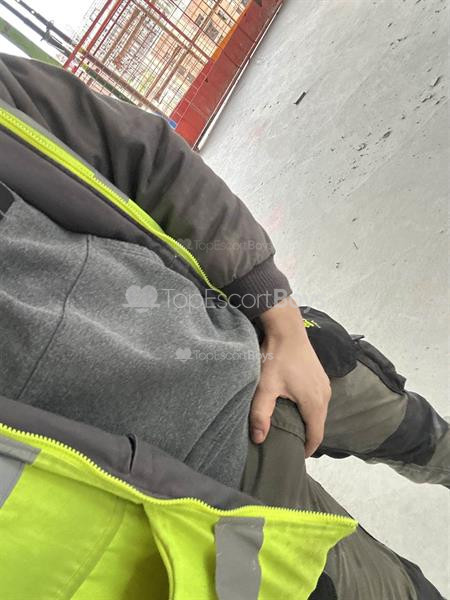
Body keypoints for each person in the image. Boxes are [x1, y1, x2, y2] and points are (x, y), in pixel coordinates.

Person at [0, 53, 447, 599]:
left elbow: (148, 156)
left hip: (258, 346)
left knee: (419, 432)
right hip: (206, 531)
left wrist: (277, 314)